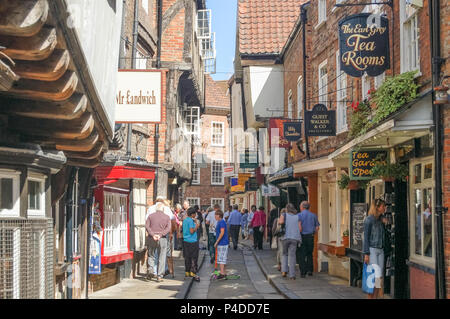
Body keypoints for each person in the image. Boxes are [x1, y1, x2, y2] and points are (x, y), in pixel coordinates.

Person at [146, 196, 176, 279]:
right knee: (162, 256)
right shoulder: (166, 217)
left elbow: (147, 226)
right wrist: (160, 235)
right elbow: (168, 228)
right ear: (163, 209)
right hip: (162, 238)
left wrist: (153, 234)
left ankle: (151, 270)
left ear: (156, 209)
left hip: (151, 238)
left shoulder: (150, 216)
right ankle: (160, 275)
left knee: (151, 255)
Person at [363, 198, 387, 299]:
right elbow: (366, 237)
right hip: (372, 250)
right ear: (377, 207)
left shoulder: (381, 219)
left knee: (379, 277)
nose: (385, 208)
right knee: (373, 277)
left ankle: (376, 297)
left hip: (381, 250)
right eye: (383, 206)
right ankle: (370, 297)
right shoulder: (369, 220)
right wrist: (366, 253)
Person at [278, 203, 302, 280]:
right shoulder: (297, 216)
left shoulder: (284, 215)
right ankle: (292, 275)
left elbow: (280, 222)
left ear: (287, 209)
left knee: (284, 254)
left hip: (285, 237)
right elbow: (300, 229)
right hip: (294, 238)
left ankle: (284, 271)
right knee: (292, 256)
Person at [298, 201, 320, 278]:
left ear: (302, 207)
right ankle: (310, 270)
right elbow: (317, 227)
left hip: (302, 236)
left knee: (302, 254)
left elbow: (299, 227)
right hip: (310, 236)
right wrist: (314, 233)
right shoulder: (313, 215)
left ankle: (303, 272)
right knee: (310, 254)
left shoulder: (299, 215)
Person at [182, 207, 201, 282]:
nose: (196, 215)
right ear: (193, 214)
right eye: (195, 213)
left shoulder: (185, 220)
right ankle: (193, 272)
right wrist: (197, 225)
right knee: (194, 257)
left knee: (187, 256)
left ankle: (187, 271)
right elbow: (192, 231)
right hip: (192, 241)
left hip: (185, 240)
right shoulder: (190, 221)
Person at [214, 209, 229, 280]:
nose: (215, 216)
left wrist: (217, 242)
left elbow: (222, 232)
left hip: (222, 243)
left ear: (219, 215)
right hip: (222, 243)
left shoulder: (221, 222)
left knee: (221, 258)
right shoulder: (220, 222)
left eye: (216, 215)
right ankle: (224, 272)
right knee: (223, 258)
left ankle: (222, 273)